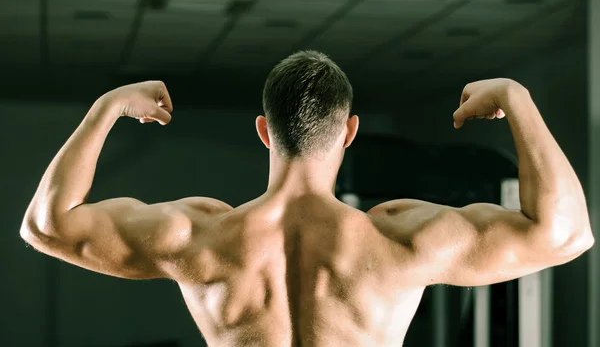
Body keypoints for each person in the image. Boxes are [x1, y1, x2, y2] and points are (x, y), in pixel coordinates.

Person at [20, 50, 594, 346]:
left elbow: (47, 225)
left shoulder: (199, 234)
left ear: (264, 132)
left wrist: (107, 107)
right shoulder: (397, 238)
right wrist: (516, 98)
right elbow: (567, 233)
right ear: (349, 132)